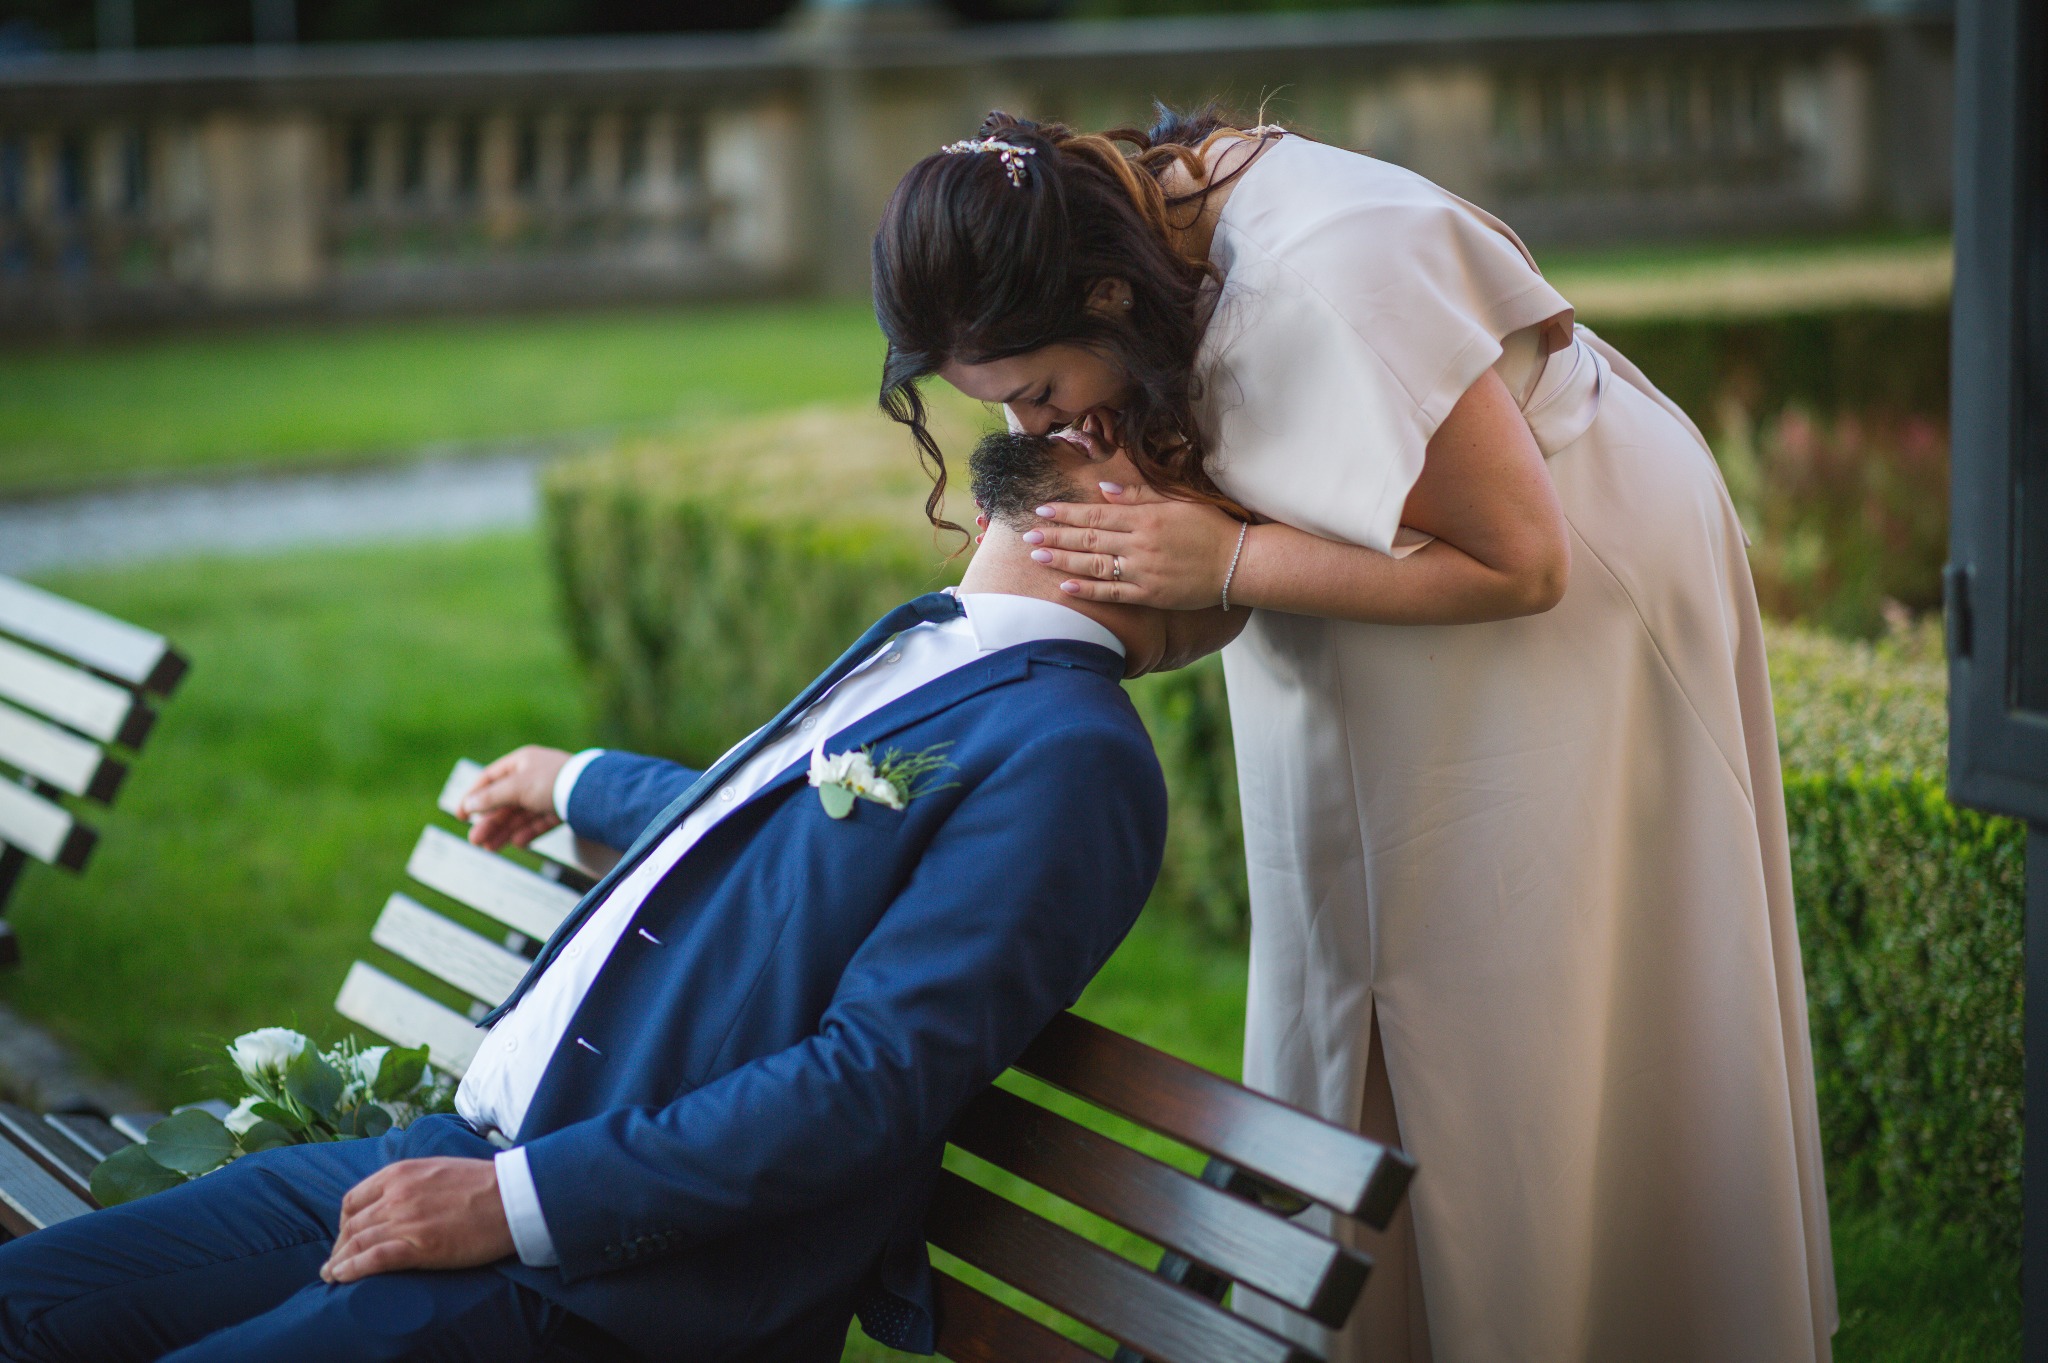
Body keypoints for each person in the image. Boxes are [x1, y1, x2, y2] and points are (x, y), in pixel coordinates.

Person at [872, 112, 1835, 1363]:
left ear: (1098, 298)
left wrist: (1225, 560)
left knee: (1512, 1002)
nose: (1032, 432)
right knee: (1346, 966)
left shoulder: (1320, 280)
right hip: (1353, 599)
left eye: (1039, 395)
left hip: (1559, 603)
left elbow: (1522, 559)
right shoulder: (1139, 270)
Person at [0, 439, 1174, 1363]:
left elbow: (869, 1079)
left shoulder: (1072, 751)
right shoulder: (949, 645)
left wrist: (514, 1205)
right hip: (452, 1156)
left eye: (1134, 430)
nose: (1067, 414)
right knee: (26, 1301)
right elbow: (772, 832)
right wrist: (576, 781)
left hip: (605, 1287)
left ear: (1174, 526)